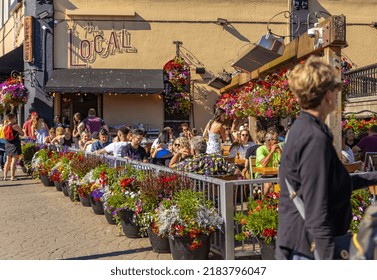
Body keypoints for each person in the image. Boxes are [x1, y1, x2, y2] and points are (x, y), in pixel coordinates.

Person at [276, 56, 377, 260]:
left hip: (304, 244)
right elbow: (316, 210)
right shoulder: (313, 138)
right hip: (308, 249)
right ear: (328, 95)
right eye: (336, 89)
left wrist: (373, 177)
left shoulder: (304, 128)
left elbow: (331, 184)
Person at [172, 136, 239, 176]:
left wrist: (178, 153)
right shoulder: (217, 159)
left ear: (193, 150)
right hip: (217, 195)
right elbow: (236, 171)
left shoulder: (188, 163)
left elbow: (171, 165)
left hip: (196, 196)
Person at [3, 113, 24, 181]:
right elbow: (22, 134)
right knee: (14, 161)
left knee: (7, 161)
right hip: (15, 144)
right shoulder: (15, 126)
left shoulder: (5, 126)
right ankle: (12, 176)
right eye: (15, 118)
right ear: (11, 119)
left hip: (7, 144)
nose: (16, 119)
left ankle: (5, 176)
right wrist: (19, 130)